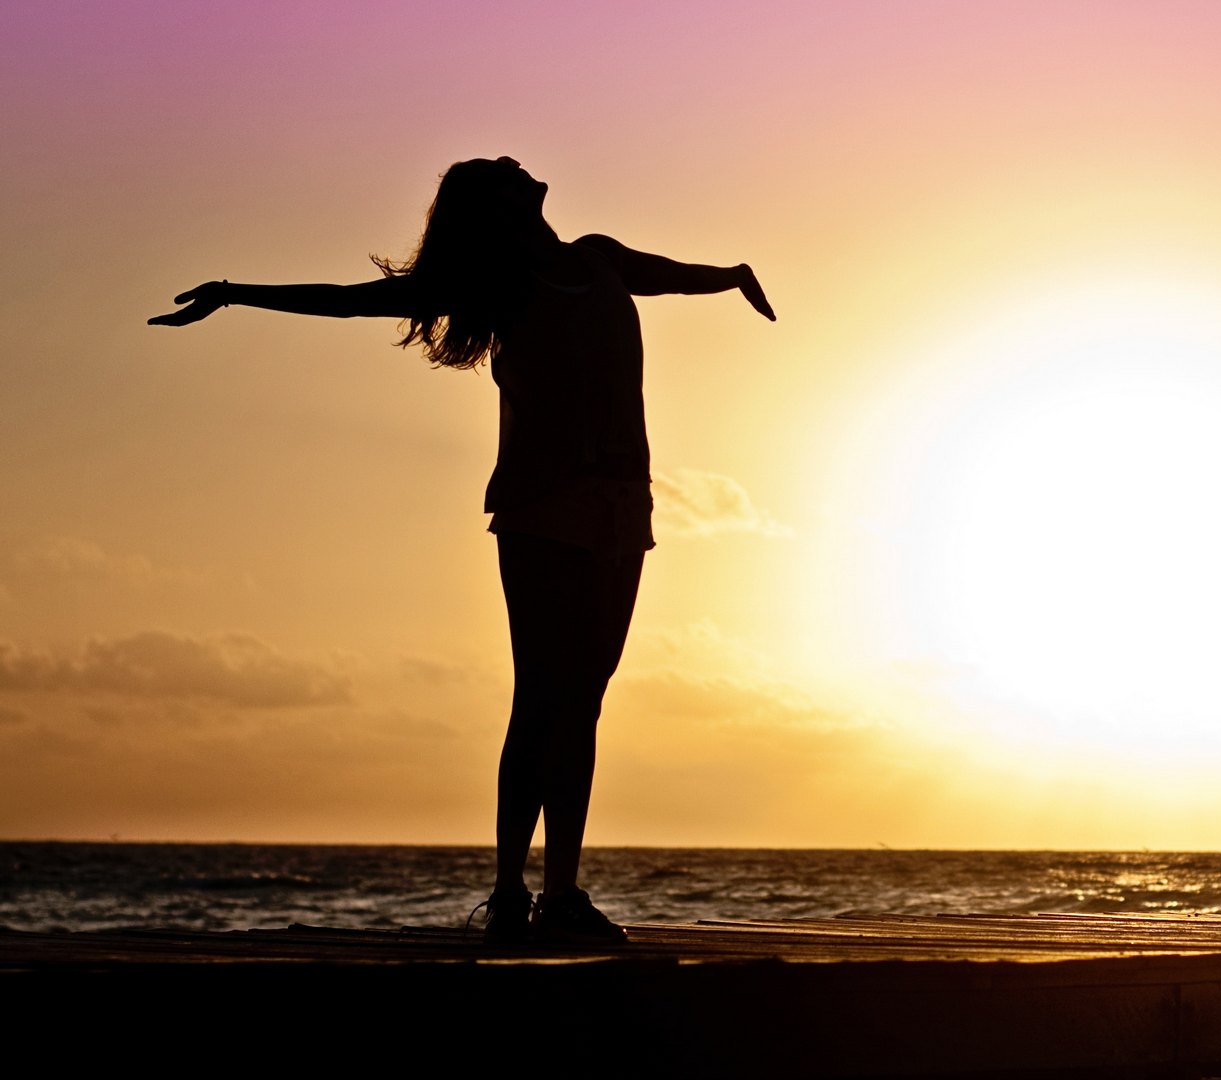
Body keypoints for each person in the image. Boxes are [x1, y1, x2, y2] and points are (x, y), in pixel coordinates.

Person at [150, 156, 775, 945]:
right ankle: (518, 892)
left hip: (626, 507)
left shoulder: (598, 258)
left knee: (583, 702)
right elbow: (352, 304)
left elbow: (677, 277)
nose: (525, 167)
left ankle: (559, 893)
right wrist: (236, 293)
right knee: (543, 697)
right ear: (500, 207)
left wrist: (733, 275)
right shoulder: (501, 284)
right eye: (506, 172)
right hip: (543, 506)